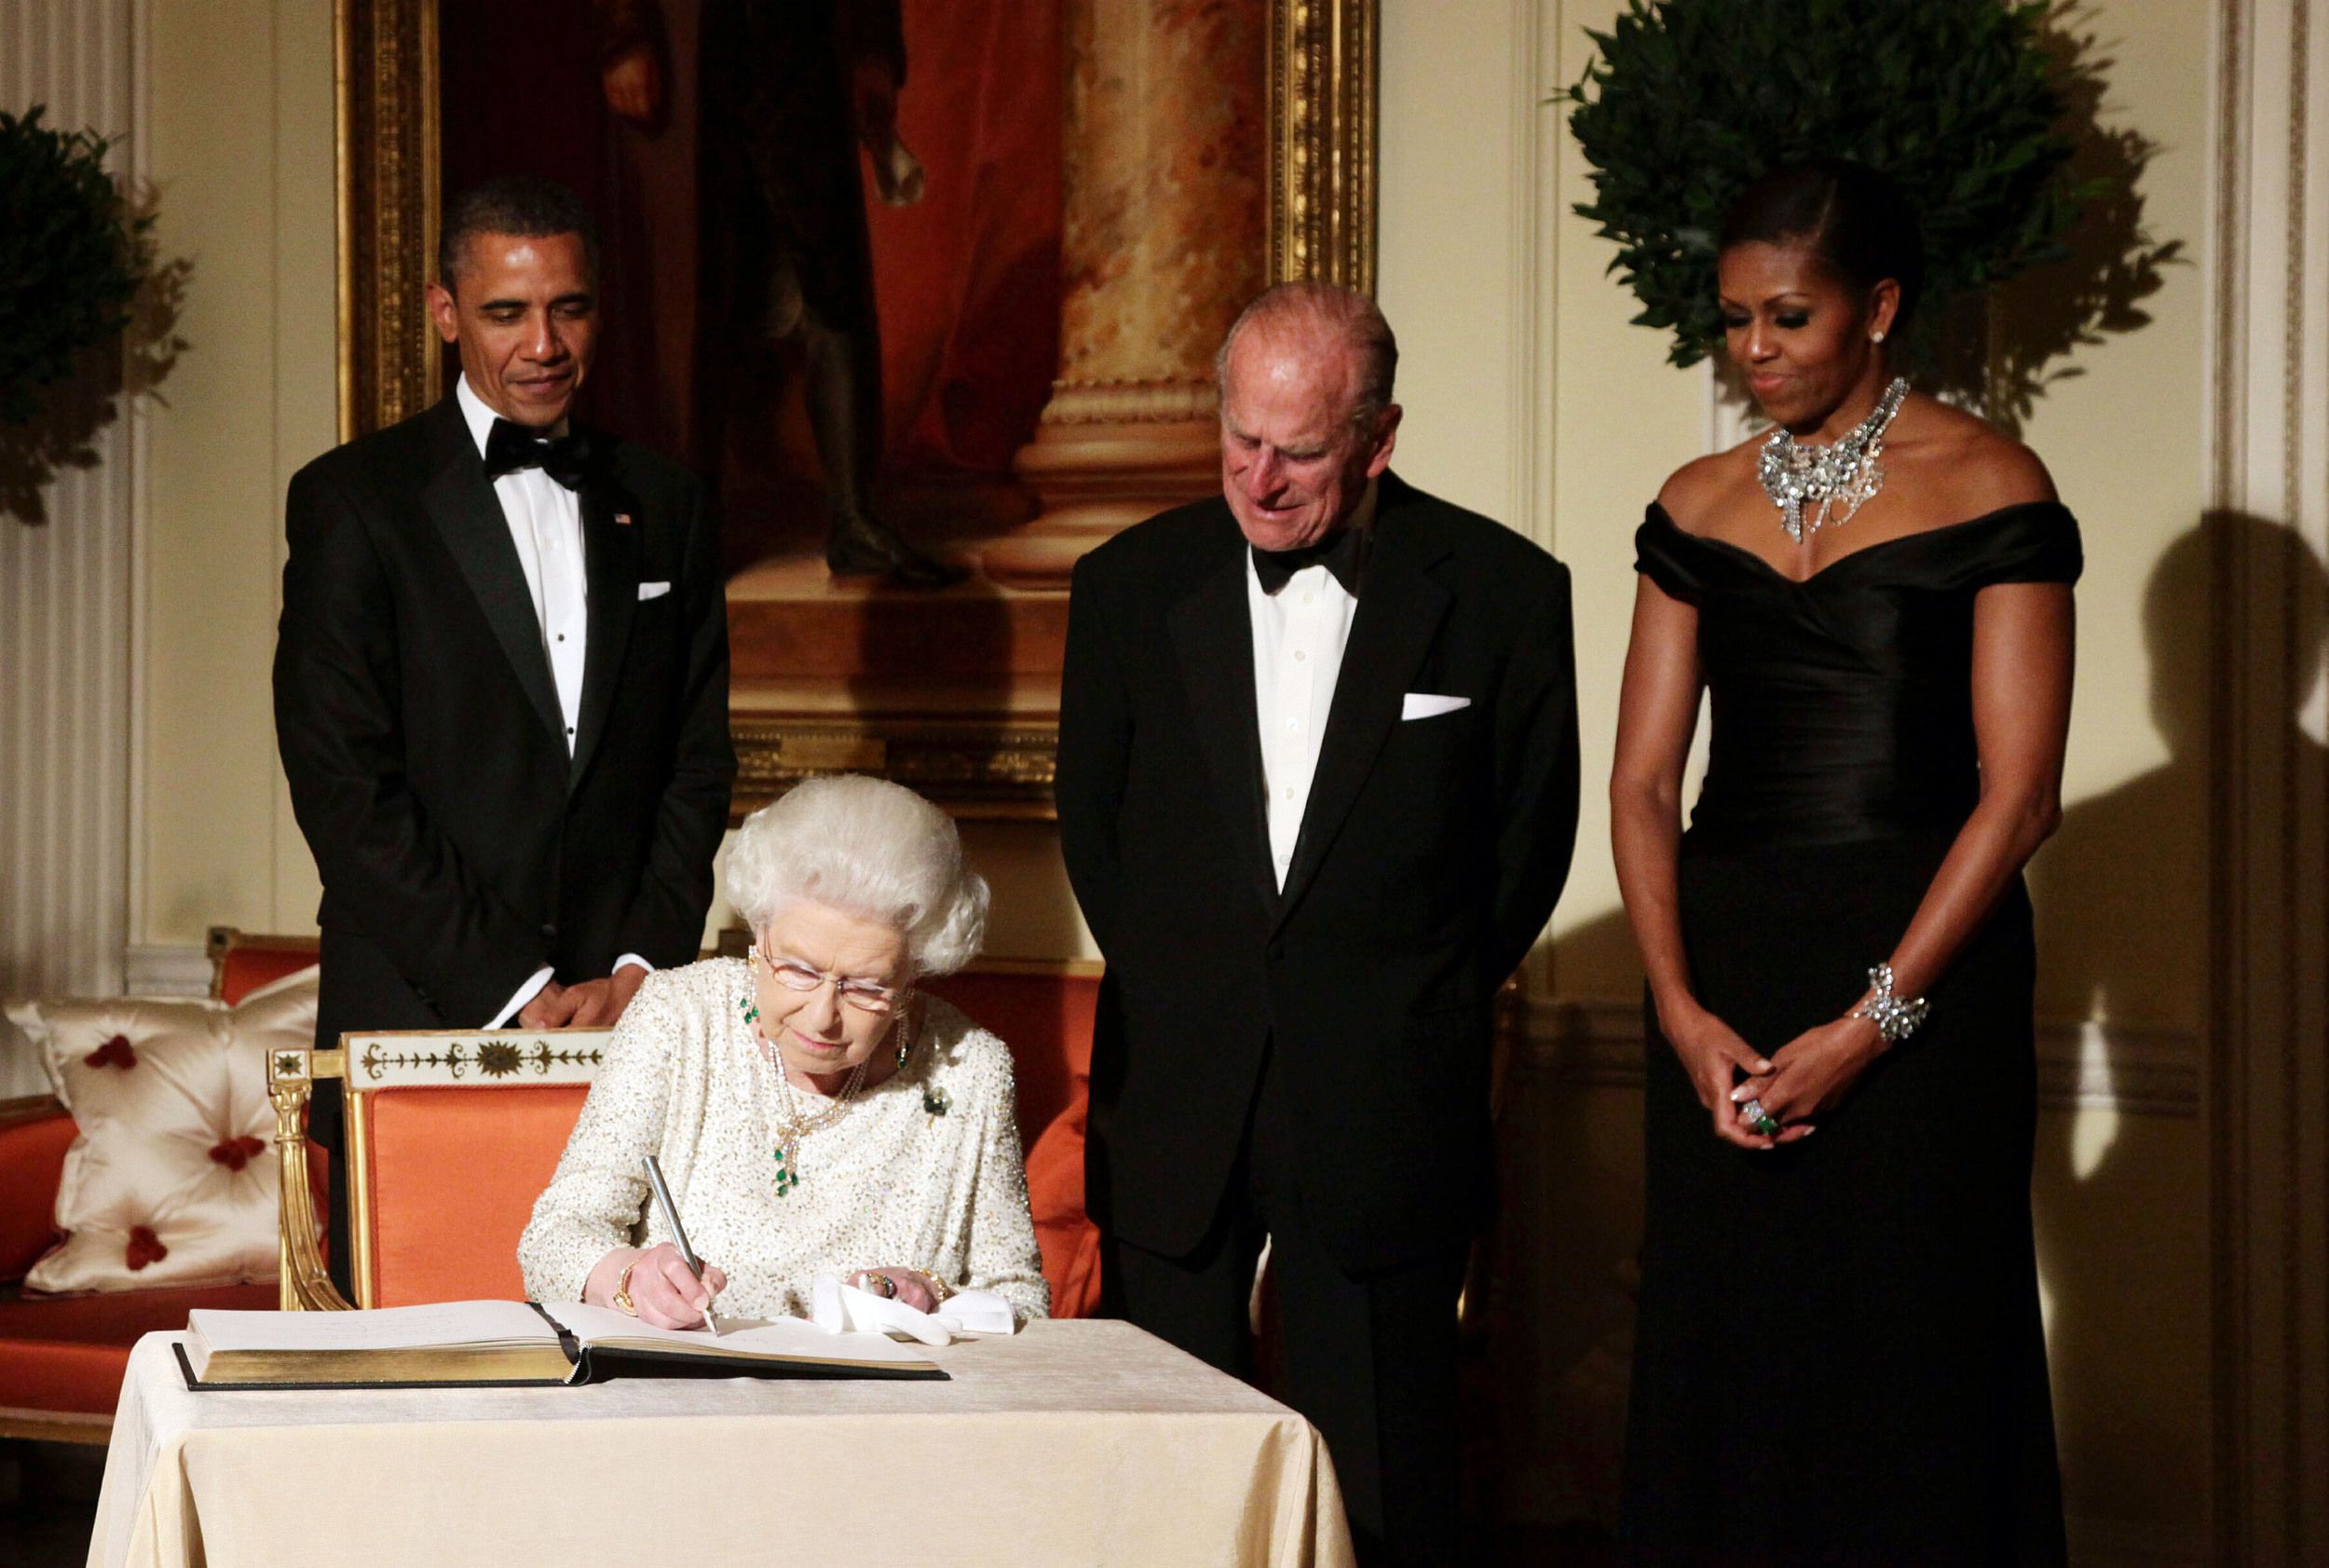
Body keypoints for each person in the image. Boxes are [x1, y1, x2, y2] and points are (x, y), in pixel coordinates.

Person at [1055, 280, 1581, 1565]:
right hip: (1179, 1092)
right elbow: (1097, 823)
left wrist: (1404, 998)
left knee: (1383, 1486)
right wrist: (1197, 983)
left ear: (1378, 438)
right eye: (1241, 438)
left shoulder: (1504, 591)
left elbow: (1528, 843)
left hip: (1386, 1091)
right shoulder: (1127, 585)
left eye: (1300, 449)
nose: (1262, 477)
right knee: (1175, 1483)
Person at [1612, 160, 2075, 1564]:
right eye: (1736, 319)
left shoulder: (1993, 481)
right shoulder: (1695, 504)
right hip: (1727, 970)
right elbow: (1639, 782)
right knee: (1729, 1352)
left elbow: (2022, 794)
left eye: (1788, 318)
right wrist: (1684, 1012)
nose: (1753, 350)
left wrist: (1876, 1021)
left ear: (1878, 308)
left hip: (1928, 974)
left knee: (1914, 1361)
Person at [274, 175, 735, 1293]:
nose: (544, 344)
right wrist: (514, 986)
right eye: (506, 313)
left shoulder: (664, 500)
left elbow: (695, 759)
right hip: (423, 1026)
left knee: (626, 1406)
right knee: (413, 1415)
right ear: (445, 313)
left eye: (569, 309)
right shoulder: (354, 501)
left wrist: (636, 968)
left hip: (627, 1039)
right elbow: (344, 787)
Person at [519, 774, 1049, 1327]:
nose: (823, 1016)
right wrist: (630, 1279)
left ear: (915, 969)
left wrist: (933, 1295)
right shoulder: (678, 1016)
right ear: (758, 934)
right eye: (797, 969)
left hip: (881, 1408)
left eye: (867, 987)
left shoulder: (971, 1071)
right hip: (686, 1393)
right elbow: (554, 1240)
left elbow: (1024, 1303)